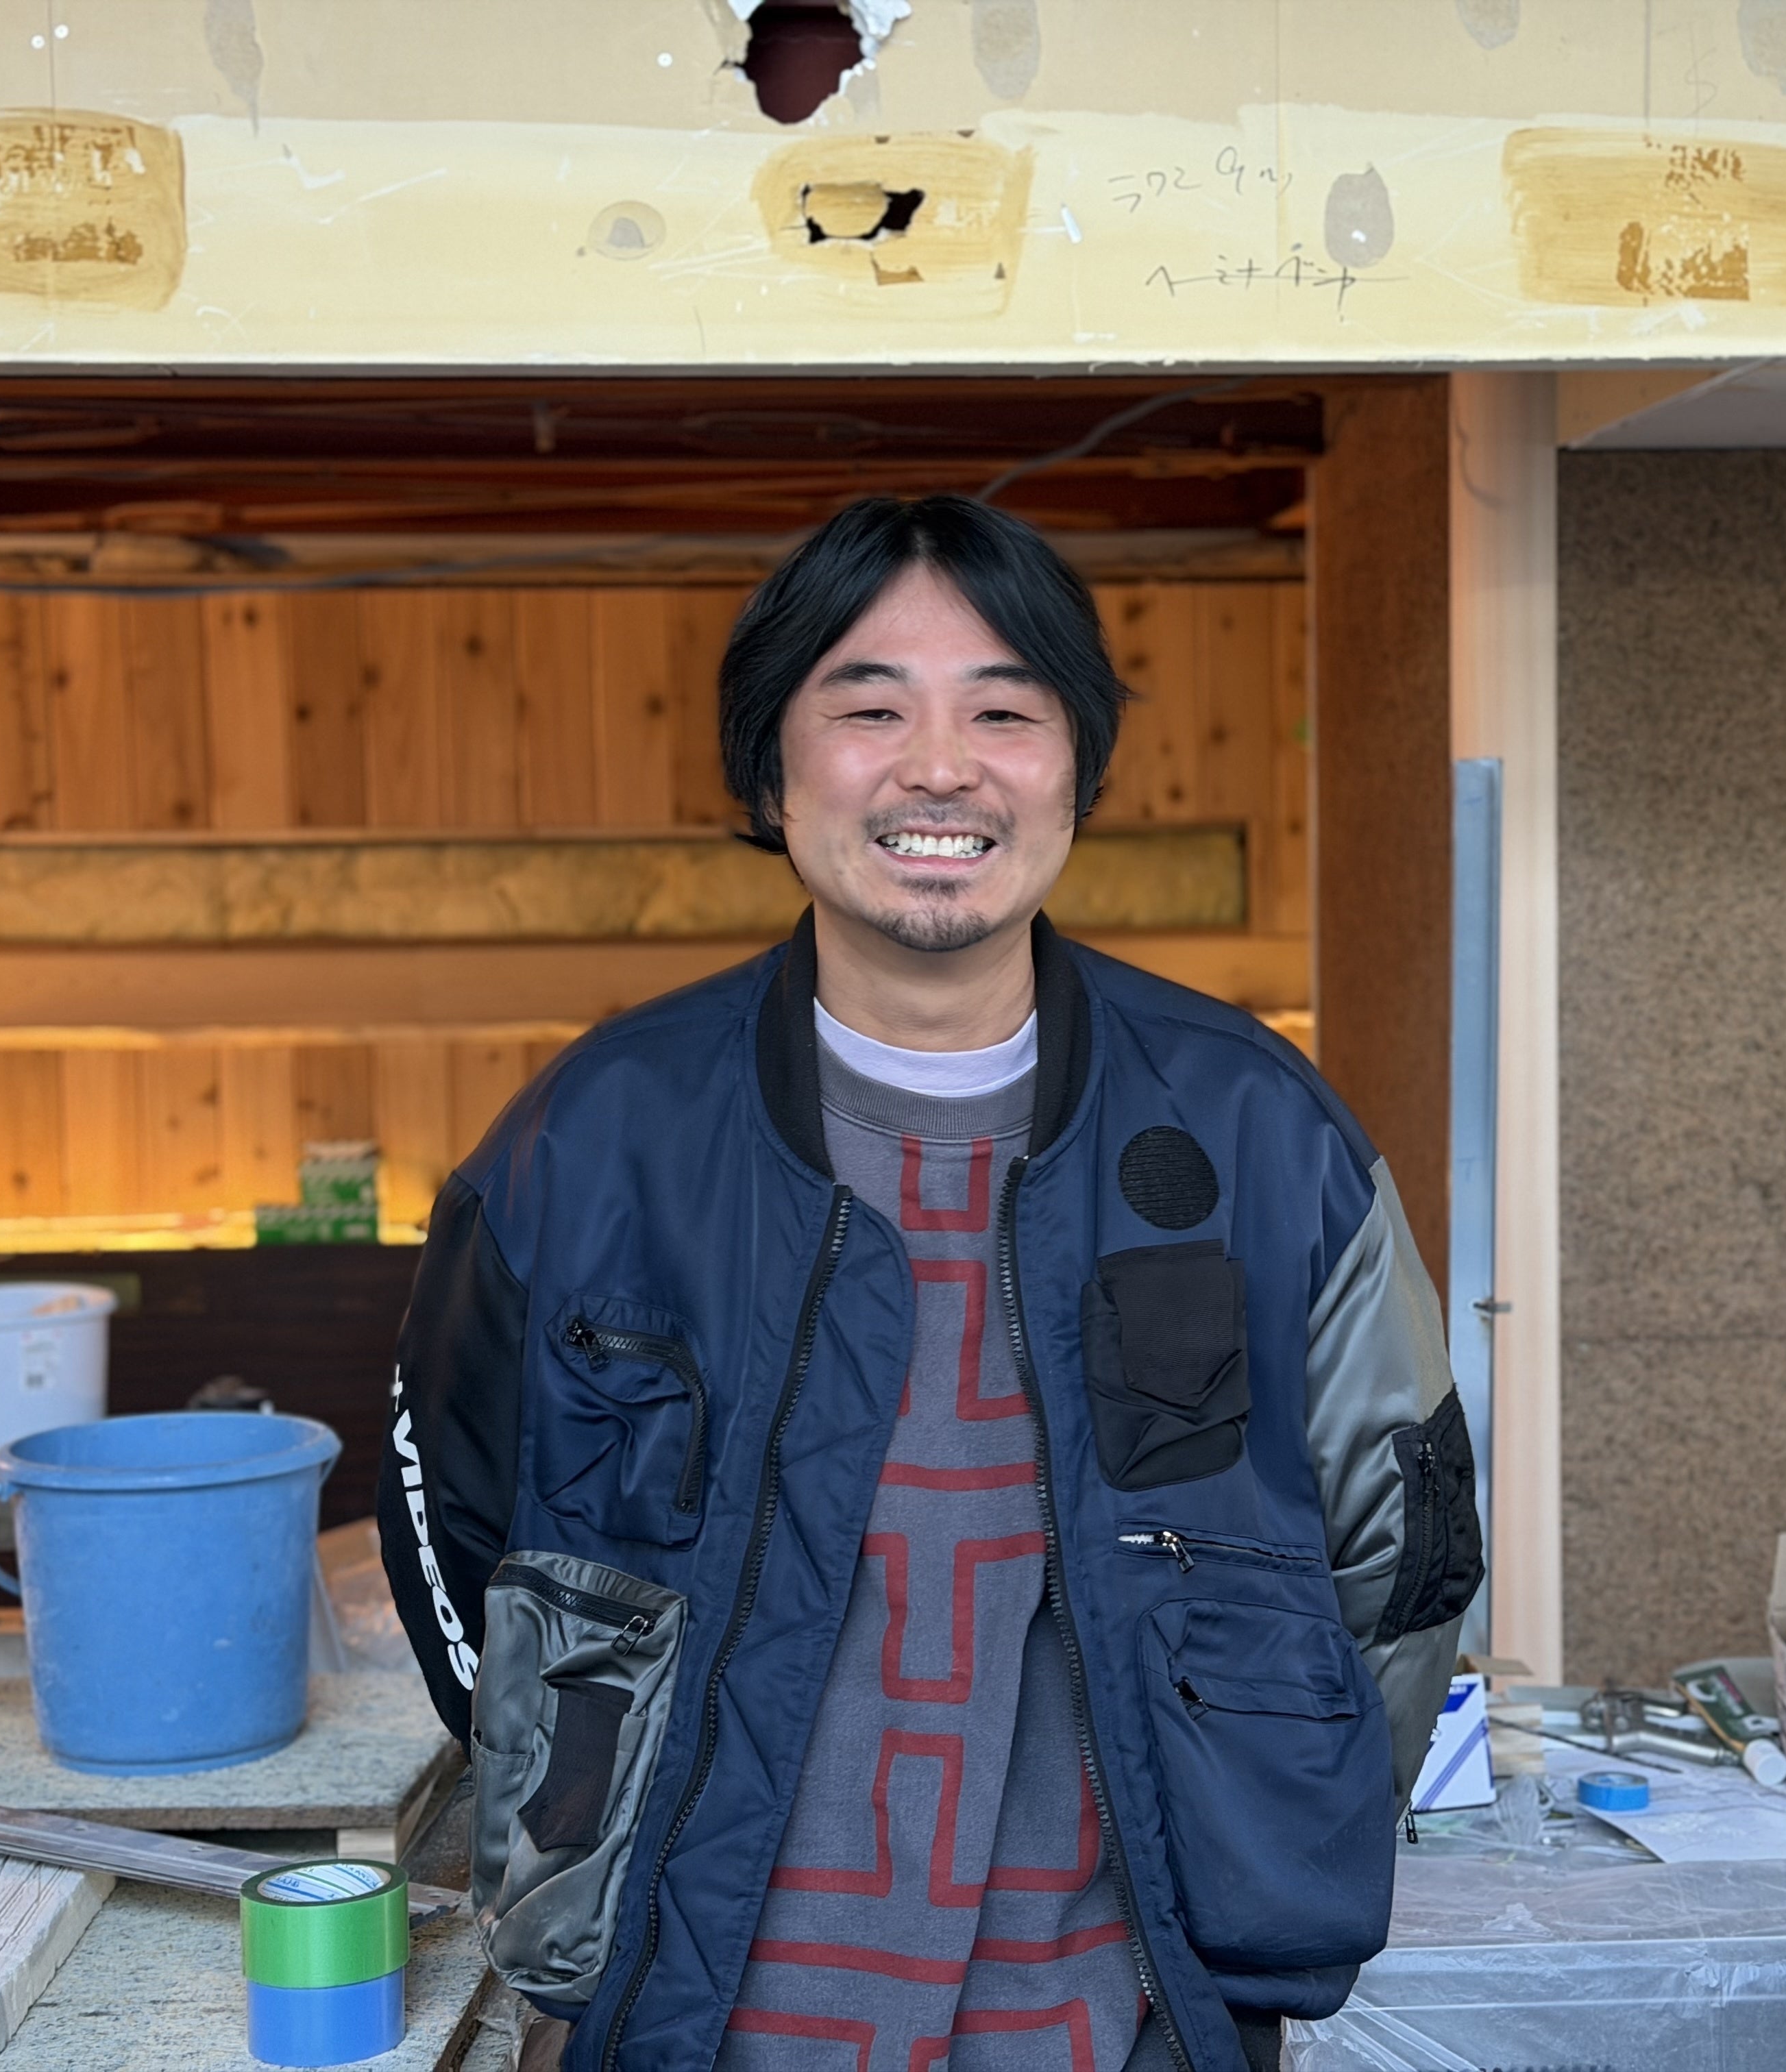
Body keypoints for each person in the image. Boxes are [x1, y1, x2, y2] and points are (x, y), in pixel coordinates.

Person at [379, 495, 1481, 2072]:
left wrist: (1266, 1837)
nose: (941, 767)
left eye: (1005, 712)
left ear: (1077, 770)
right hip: (695, 2029)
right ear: (774, 769)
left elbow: (1408, 1555)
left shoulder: (1258, 1134)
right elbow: (452, 1531)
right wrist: (578, 1827)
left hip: (1128, 2025)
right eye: (871, 707)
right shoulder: (597, 1137)